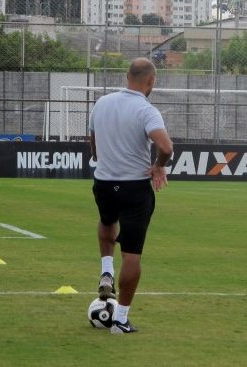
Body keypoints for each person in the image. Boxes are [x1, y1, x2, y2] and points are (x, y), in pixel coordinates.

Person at [89, 57, 173, 334]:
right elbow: (166, 146)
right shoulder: (145, 110)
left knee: (107, 220)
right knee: (132, 255)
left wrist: (98, 157)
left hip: (103, 182)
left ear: (127, 76)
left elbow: (93, 138)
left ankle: (106, 270)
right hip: (134, 187)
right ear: (151, 81)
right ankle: (121, 319)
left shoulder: (101, 103)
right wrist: (160, 165)